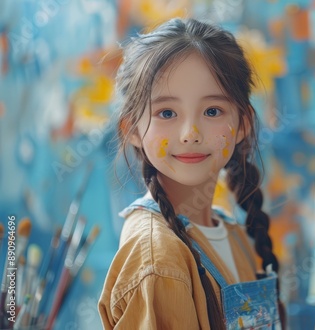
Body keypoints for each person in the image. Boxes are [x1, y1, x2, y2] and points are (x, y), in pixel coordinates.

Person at [98, 17, 285, 329]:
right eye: (167, 113)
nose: (190, 133)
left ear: (243, 124)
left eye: (212, 111)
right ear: (131, 129)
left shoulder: (232, 233)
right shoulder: (158, 257)